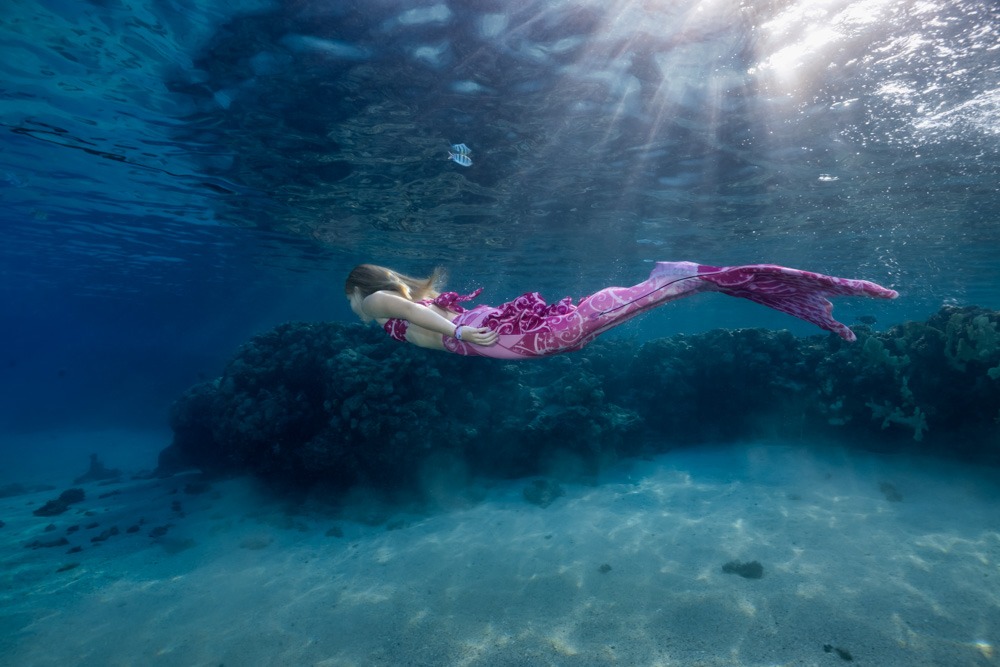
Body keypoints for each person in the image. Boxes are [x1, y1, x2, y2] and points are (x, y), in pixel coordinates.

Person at [345, 261, 898, 359]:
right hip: (484, 336)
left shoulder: (375, 300)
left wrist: (461, 334)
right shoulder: (394, 303)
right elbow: (418, 315)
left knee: (575, 328)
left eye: (352, 298)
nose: (354, 307)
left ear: (360, 289)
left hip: (482, 337)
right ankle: (678, 281)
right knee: (582, 330)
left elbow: (419, 318)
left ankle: (676, 279)